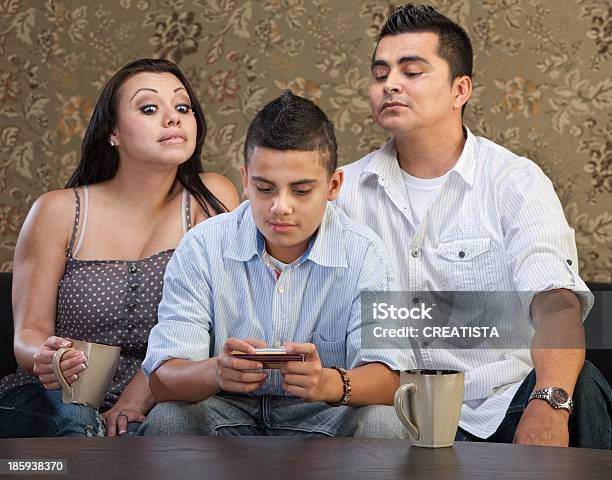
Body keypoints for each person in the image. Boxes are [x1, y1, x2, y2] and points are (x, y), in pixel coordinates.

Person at [336, 4, 611, 448]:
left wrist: (550, 403)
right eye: (380, 73)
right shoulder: (342, 190)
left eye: (412, 71)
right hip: (392, 412)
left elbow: (556, 304)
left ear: (459, 89)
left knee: (583, 386)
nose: (390, 85)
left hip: (501, 403)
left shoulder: (513, 182)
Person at [139, 91, 407, 437]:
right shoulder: (202, 246)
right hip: (226, 409)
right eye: (265, 189)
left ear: (333, 185)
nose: (281, 207)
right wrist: (215, 372)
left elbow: (391, 379)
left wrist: (327, 382)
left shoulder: (365, 252)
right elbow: (162, 381)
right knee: (168, 420)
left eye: (300, 191)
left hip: (324, 414)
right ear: (245, 180)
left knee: (384, 424)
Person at [0, 58, 240, 438]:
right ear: (113, 131)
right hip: (59, 397)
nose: (173, 118)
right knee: (76, 422)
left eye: (183, 107)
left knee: (175, 428)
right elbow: (28, 332)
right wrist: (47, 358)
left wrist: (134, 400)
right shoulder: (57, 210)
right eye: (149, 108)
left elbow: (211, 326)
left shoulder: (210, 197)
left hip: (164, 399)